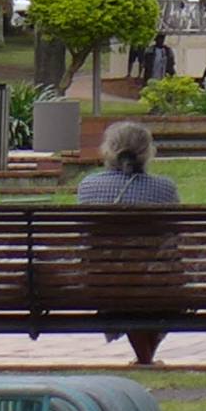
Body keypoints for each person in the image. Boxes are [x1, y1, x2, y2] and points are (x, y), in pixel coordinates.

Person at [75, 119, 182, 364]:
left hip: (102, 282)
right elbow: (174, 236)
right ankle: (145, 361)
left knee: (128, 288)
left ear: (108, 150)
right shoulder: (164, 189)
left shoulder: (88, 186)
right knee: (151, 285)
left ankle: (145, 360)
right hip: (154, 283)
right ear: (147, 152)